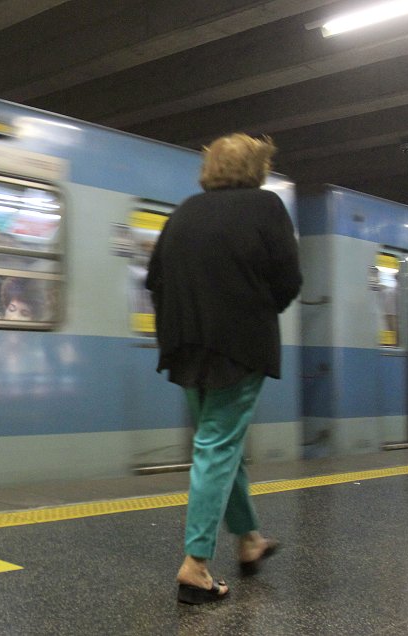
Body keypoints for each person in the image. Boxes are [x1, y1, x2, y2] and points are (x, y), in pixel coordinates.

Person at [144, 133, 301, 604]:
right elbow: (289, 279)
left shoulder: (184, 211)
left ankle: (250, 540)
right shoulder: (267, 207)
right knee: (217, 443)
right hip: (240, 345)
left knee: (218, 440)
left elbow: (155, 279)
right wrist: (255, 309)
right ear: (257, 168)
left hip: (185, 344)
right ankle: (195, 565)